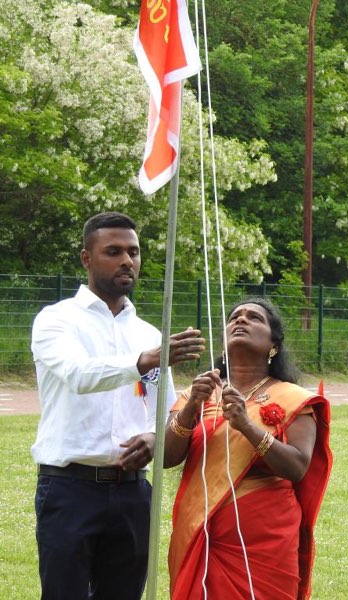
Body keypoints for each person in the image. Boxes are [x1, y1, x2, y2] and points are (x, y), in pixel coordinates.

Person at [30, 211, 206, 600]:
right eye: (113, 251)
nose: (127, 260)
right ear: (86, 258)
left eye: (133, 252)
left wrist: (154, 437)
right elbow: (79, 374)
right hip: (69, 487)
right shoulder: (56, 321)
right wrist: (145, 360)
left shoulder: (148, 333)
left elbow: (164, 413)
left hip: (132, 492)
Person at [165, 297, 332, 600]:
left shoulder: (292, 398)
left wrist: (247, 425)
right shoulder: (198, 392)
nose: (241, 320)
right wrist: (190, 409)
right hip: (201, 528)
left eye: (254, 318)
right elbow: (166, 457)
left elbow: (297, 467)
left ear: (273, 345)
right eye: (234, 317)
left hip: (265, 537)